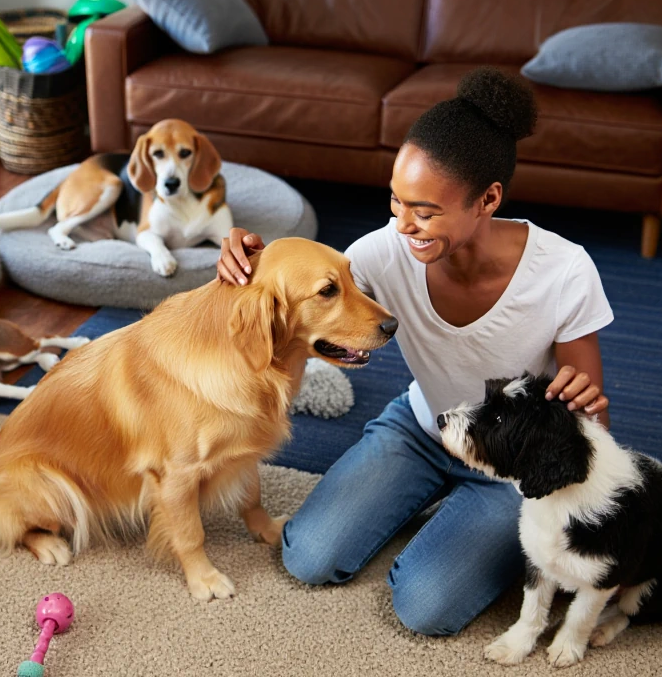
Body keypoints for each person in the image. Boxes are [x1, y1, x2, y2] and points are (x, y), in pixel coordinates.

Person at [216, 67, 614, 635]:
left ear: (488, 199)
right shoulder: (382, 251)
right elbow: (304, 293)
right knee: (307, 557)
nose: (404, 225)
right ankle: (426, 497)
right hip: (422, 429)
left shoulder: (564, 270)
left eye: (424, 211)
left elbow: (591, 424)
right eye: (396, 202)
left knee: (425, 608)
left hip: (509, 465)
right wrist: (251, 259)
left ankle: (461, 522)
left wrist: (586, 403)